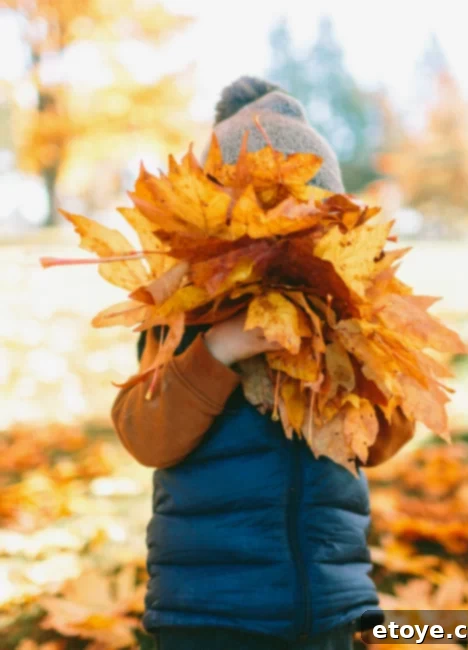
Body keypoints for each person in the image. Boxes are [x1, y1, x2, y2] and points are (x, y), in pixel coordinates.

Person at [111, 76, 415, 650]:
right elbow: (144, 434)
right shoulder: (184, 315)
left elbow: (385, 439)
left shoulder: (344, 319)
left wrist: (360, 358)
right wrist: (218, 351)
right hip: (208, 609)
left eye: (306, 221)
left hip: (328, 600)